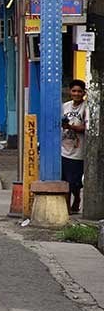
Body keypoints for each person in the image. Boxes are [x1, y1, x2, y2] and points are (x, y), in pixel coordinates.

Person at [61, 79, 89, 214]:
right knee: (64, 180)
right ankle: (66, 207)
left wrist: (70, 126)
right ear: (70, 92)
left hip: (78, 151)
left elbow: (86, 127)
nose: (76, 93)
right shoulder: (65, 106)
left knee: (74, 182)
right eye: (74, 91)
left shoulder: (87, 107)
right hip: (64, 148)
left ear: (83, 93)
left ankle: (77, 199)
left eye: (79, 91)